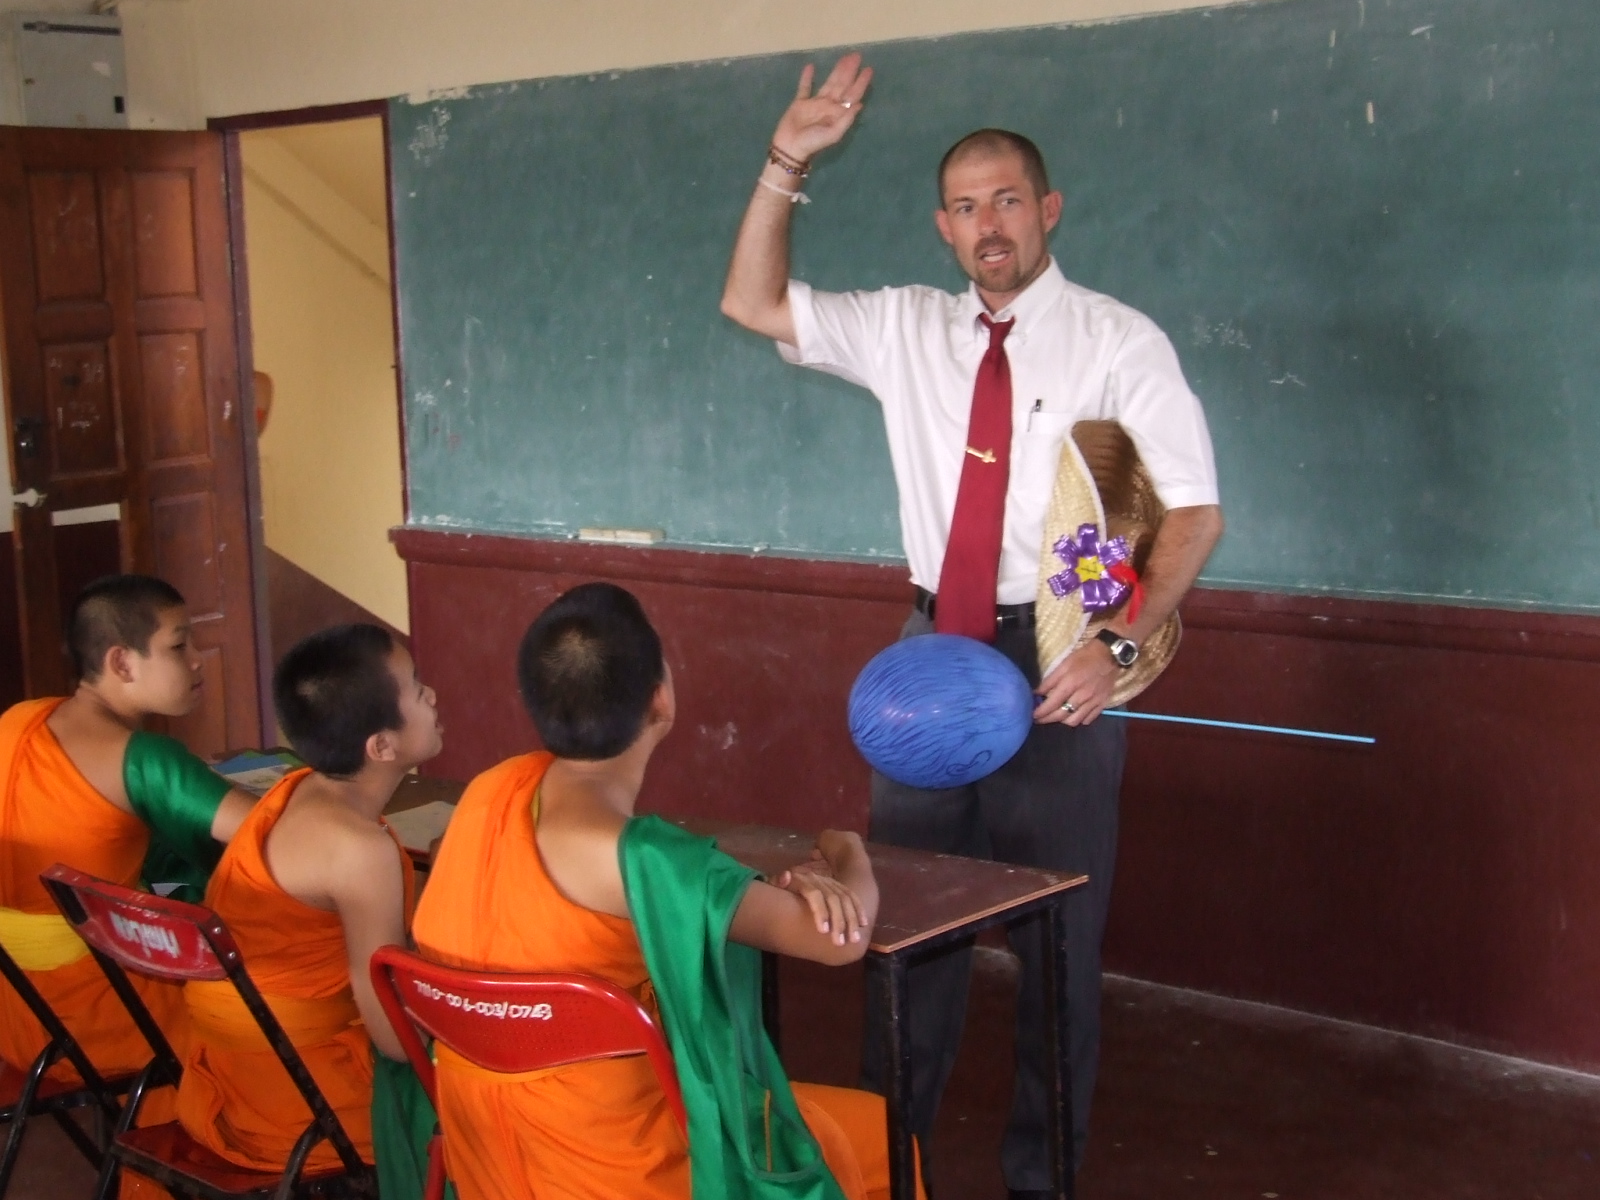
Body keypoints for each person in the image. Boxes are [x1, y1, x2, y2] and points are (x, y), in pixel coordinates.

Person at [720, 54, 1225, 1197]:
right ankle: (884, 1160)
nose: (986, 224)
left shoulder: (1116, 340)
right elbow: (750, 302)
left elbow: (1192, 513)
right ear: (941, 229)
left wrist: (1115, 644)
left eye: (1007, 200)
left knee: (1057, 943)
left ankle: (1042, 1180)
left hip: (1062, 659)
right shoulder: (905, 328)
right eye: (964, 206)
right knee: (906, 928)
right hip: (930, 662)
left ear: (1047, 211)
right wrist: (786, 160)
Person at [413, 582, 920, 1200]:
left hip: (483, 1153)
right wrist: (847, 851)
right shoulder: (644, 861)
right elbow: (841, 940)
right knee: (878, 1135)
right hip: (617, 1166)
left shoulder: (487, 794)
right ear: (662, 699)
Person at [172, 624, 444, 1198]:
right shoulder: (358, 848)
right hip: (297, 1104)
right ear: (382, 747)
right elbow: (395, 1040)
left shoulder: (291, 791)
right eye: (416, 687)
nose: (432, 696)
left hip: (225, 1074)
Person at [0, 575, 255, 1164]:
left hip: (19, 1015)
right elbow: (270, 836)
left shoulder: (19, 722)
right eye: (178, 645)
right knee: (266, 1004)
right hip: (109, 1015)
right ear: (121, 661)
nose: (198, 661)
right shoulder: (141, 757)